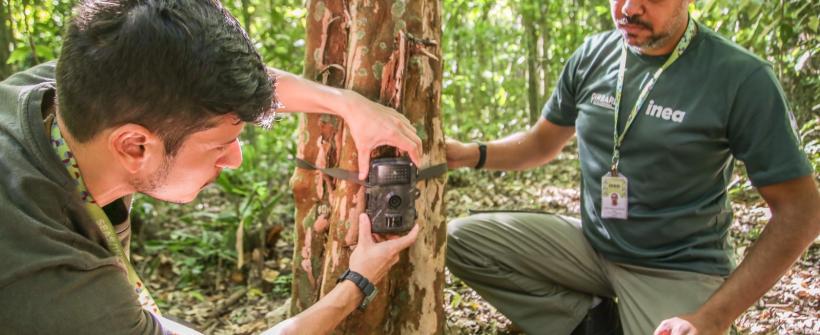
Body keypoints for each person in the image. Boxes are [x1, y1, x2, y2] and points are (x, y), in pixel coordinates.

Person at [0, 0, 421, 334]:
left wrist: (347, 104)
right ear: (134, 146)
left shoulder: (79, 89)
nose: (234, 158)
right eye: (220, 144)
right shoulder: (50, 281)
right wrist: (358, 283)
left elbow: (201, 88)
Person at [444, 0, 820, 334]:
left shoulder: (740, 77)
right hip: (592, 248)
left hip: (677, 267)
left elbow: (802, 213)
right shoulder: (593, 55)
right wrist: (471, 153)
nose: (629, 8)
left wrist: (714, 317)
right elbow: (542, 143)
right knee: (460, 240)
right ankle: (593, 321)